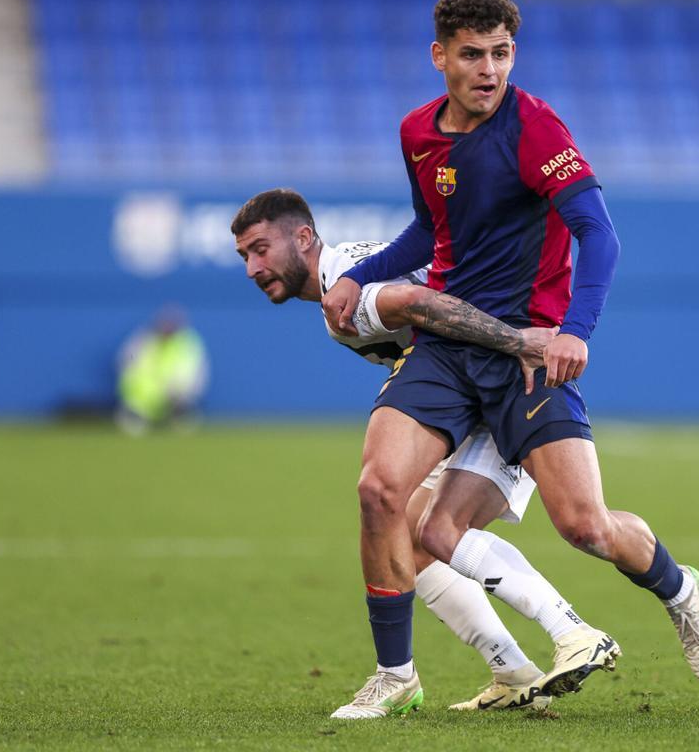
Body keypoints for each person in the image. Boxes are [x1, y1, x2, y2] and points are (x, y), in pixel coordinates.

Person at [321, 0, 699, 714]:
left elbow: (599, 233)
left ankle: (679, 588)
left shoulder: (535, 128)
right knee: (381, 491)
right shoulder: (419, 131)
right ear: (439, 56)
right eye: (472, 55)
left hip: (528, 353)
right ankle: (395, 676)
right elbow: (429, 232)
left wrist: (576, 329)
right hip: (448, 347)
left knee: (585, 527)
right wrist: (360, 273)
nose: (489, 70)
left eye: (502, 53)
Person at [232, 188, 609, 716]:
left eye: (260, 249)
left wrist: (520, 342)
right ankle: (512, 670)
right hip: (479, 390)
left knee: (572, 525)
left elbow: (420, 304)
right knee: (408, 539)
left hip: (506, 380)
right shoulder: (343, 282)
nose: (252, 267)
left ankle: (580, 627)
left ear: (302, 237)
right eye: (244, 256)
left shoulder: (348, 284)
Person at [116, 305, 209, 434]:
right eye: (165, 323)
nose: (168, 328)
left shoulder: (188, 342)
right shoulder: (143, 339)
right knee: (136, 402)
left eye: (172, 324)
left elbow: (196, 371)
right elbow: (125, 362)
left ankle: (180, 415)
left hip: (174, 393)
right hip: (145, 393)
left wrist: (181, 390)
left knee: (182, 395)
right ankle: (136, 415)